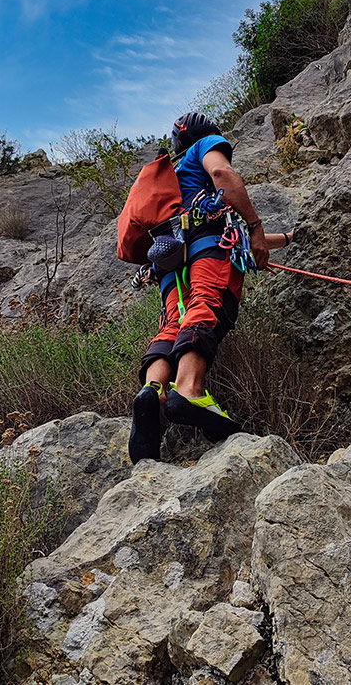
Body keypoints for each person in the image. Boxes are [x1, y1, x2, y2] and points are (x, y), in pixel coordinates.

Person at [128, 112, 293, 463]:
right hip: (207, 249)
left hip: (170, 260)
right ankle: (189, 390)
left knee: (174, 324)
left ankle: (153, 390)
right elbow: (222, 174)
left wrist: (282, 239)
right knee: (207, 305)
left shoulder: (171, 179)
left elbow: (247, 240)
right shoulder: (206, 147)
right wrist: (256, 224)